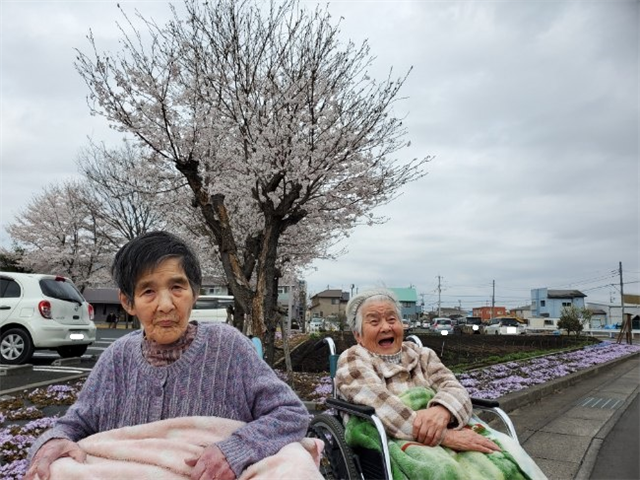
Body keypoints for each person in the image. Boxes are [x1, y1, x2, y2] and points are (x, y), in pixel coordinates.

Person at [26, 231, 311, 480]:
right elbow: (76, 423)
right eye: (148, 291)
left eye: (177, 287)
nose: (165, 305)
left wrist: (236, 449)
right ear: (128, 302)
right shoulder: (117, 357)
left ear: (194, 293)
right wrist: (55, 440)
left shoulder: (229, 347)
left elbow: (290, 413)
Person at [335, 288, 500, 453]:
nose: (386, 327)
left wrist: (442, 410)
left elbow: (454, 387)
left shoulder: (423, 355)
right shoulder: (353, 358)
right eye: (374, 322)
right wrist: (445, 436)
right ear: (358, 335)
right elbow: (379, 405)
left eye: (392, 319)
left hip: (444, 435)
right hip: (394, 446)